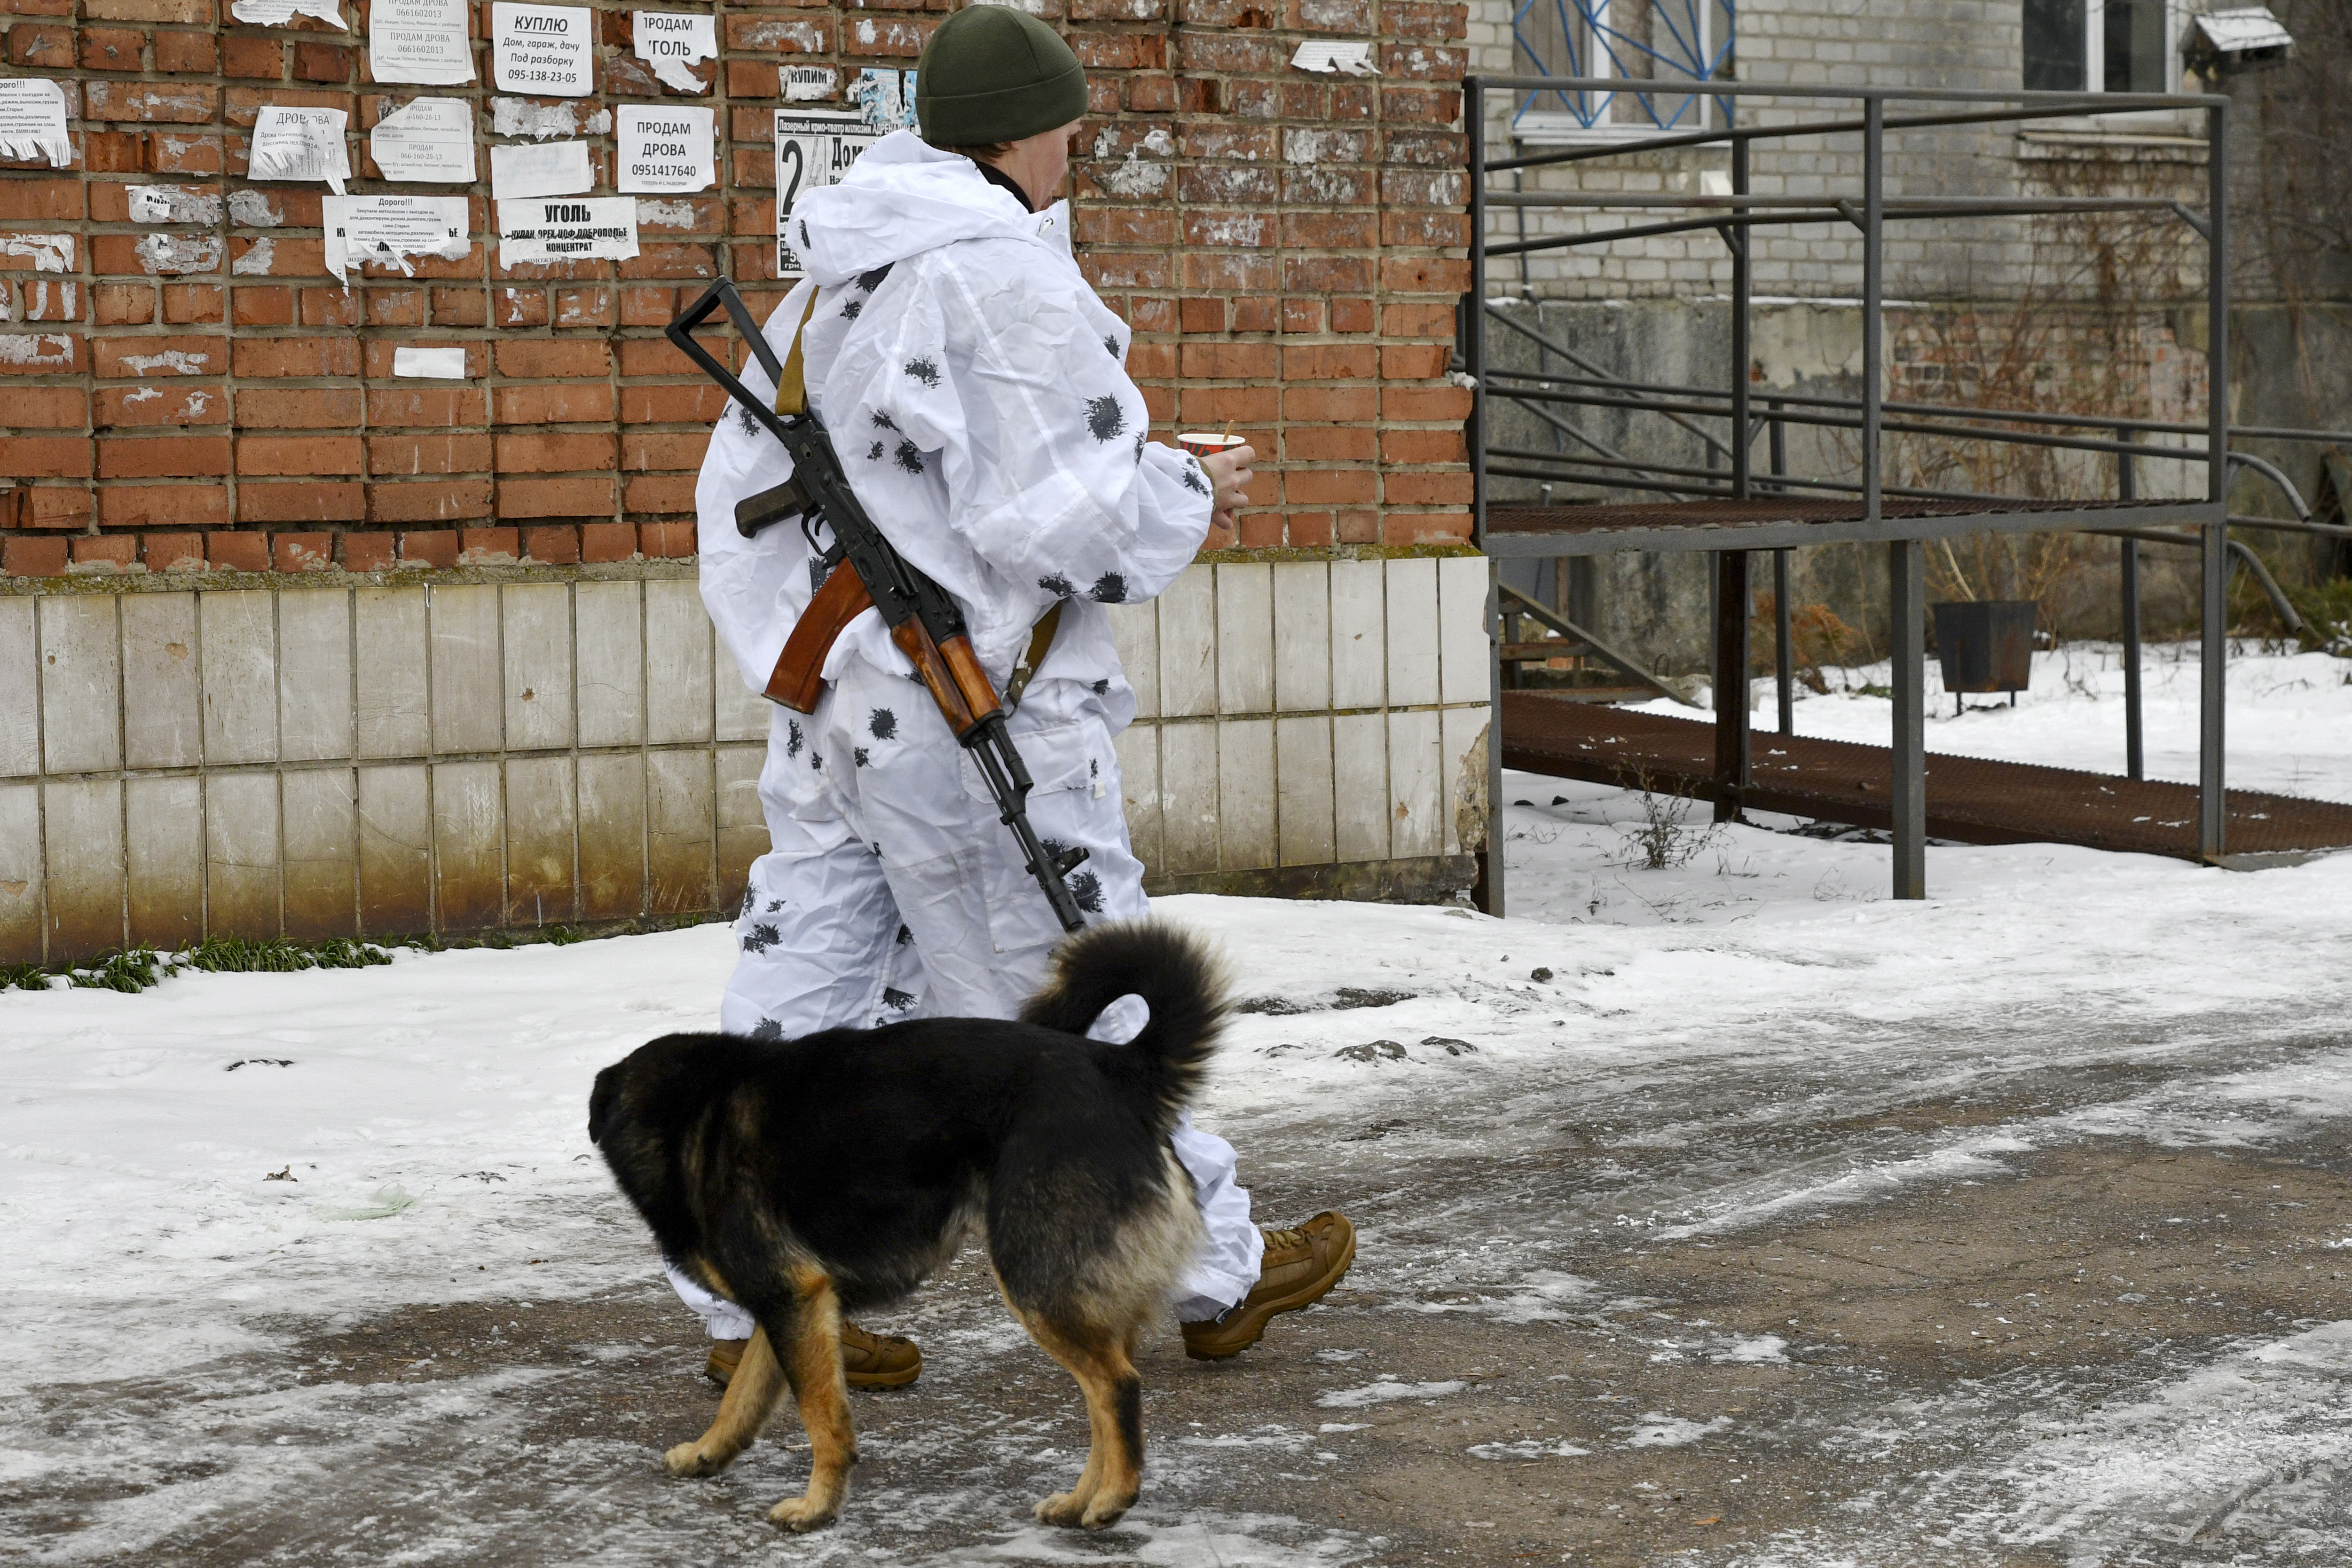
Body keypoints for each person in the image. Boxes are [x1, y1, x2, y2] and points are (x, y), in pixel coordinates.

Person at [679, 5, 1354, 1388]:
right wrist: (1189, 485)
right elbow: (1071, 521)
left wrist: (829, 651)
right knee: (1079, 992)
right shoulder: (995, 282)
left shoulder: (825, 283)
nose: (1073, 163)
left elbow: (731, 510)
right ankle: (1214, 1272)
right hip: (975, 708)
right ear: (1027, 133)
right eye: (1069, 135)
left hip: (842, 709)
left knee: (802, 986)